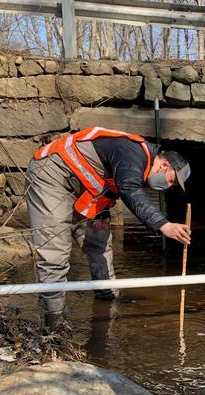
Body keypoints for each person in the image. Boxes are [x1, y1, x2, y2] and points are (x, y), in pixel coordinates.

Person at [26, 126, 192, 327]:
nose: (168, 186)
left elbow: (105, 182)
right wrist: (163, 225)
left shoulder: (138, 164)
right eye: (171, 181)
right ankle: (54, 322)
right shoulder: (134, 153)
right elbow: (129, 189)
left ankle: (107, 300)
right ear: (165, 165)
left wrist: (103, 213)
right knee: (55, 252)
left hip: (81, 186)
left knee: (100, 239)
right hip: (50, 174)